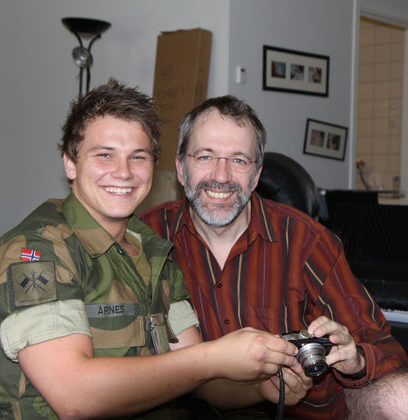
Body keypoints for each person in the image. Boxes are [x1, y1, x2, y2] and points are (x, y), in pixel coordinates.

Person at [0, 80, 302, 420]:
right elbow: (74, 397)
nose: (123, 172)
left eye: (138, 157)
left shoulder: (152, 248)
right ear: (70, 164)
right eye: (105, 155)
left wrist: (261, 390)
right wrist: (214, 357)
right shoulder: (37, 250)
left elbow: (198, 380)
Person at [140, 95, 408, 419]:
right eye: (206, 156)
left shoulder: (307, 241)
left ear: (256, 176)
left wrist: (356, 359)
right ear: (181, 169)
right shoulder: (146, 238)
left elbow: (381, 343)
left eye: (239, 160)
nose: (221, 175)